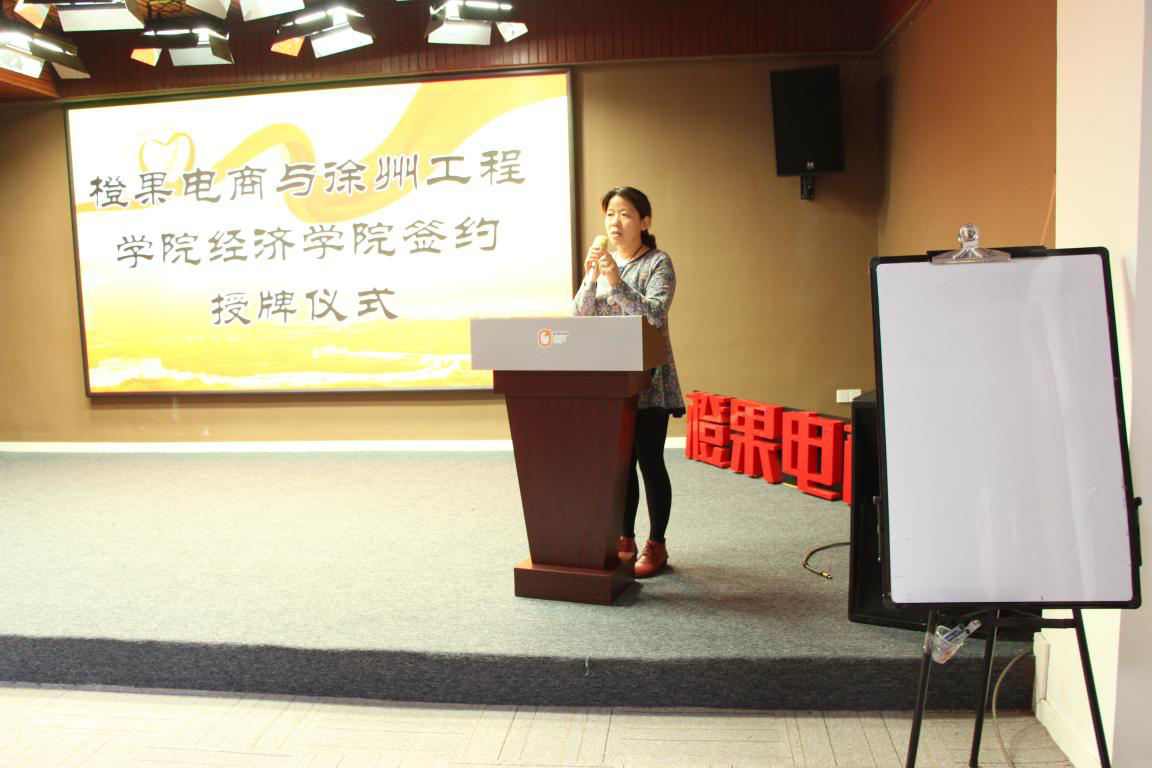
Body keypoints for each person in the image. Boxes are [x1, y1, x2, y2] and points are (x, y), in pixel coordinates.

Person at [573, 186, 685, 578]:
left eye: (625, 214)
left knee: (649, 460)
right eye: (610, 214)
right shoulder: (602, 264)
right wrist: (592, 277)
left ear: (644, 221)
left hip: (648, 380)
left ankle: (657, 544)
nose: (615, 222)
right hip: (609, 380)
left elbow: (654, 313)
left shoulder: (658, 263)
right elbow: (580, 316)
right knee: (620, 464)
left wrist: (616, 280)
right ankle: (626, 539)